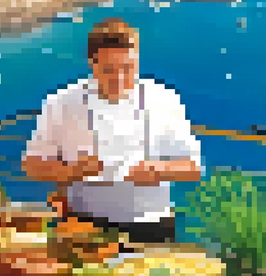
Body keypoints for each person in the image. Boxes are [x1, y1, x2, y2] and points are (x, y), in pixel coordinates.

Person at [21, 18, 203, 244]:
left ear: (137, 61)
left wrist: (157, 169)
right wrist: (72, 171)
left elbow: (193, 167)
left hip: (152, 225)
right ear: (91, 63)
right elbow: (32, 165)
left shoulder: (164, 99)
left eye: (127, 68)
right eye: (108, 70)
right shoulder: (61, 103)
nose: (119, 78)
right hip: (83, 225)